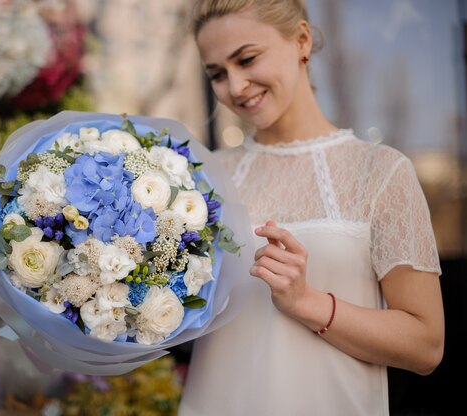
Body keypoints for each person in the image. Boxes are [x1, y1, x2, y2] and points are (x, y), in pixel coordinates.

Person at [178, 1, 445, 414]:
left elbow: (426, 345)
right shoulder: (203, 177)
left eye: (247, 59)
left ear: (302, 40)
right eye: (216, 73)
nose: (234, 86)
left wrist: (307, 302)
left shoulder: (381, 171)